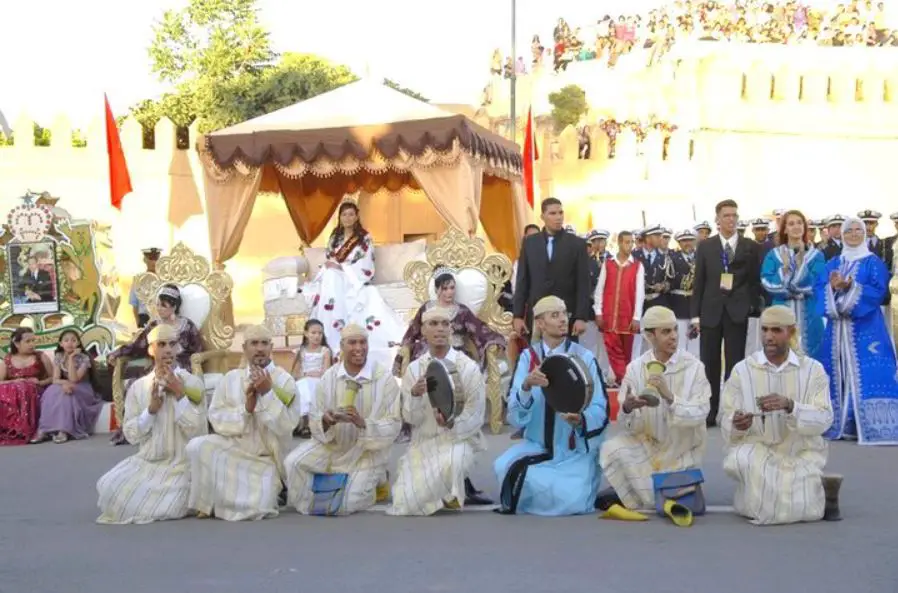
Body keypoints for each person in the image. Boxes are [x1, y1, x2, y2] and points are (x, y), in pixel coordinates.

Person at [721, 306, 836, 525]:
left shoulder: (813, 370)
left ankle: (808, 492)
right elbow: (726, 417)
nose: (768, 337)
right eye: (764, 330)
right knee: (748, 463)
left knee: (807, 511)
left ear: (791, 332)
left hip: (800, 452)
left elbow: (824, 419)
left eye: (776, 330)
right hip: (757, 450)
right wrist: (737, 424)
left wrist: (792, 407)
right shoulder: (743, 370)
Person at [495, 296, 608, 516]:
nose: (563, 320)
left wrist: (581, 420)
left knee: (570, 498)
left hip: (573, 450)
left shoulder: (584, 357)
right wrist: (526, 386)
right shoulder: (528, 358)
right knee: (502, 467)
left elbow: (600, 407)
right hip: (537, 445)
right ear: (540, 323)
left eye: (564, 314)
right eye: (555, 315)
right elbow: (515, 416)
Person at [597, 307, 711, 511]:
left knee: (655, 499)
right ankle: (665, 492)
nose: (674, 336)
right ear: (649, 336)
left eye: (675, 329)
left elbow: (701, 412)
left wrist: (670, 398)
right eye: (666, 332)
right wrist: (628, 408)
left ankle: (645, 491)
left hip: (681, 451)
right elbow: (627, 426)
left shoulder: (694, 367)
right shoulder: (636, 368)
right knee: (611, 448)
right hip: (648, 448)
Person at [96, 324, 207, 524]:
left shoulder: (193, 383)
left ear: (178, 348)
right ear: (151, 349)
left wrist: (179, 393)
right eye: (161, 344)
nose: (168, 350)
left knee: (168, 501)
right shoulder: (139, 387)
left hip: (182, 466)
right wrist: (151, 411)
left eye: (172, 344)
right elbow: (131, 434)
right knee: (108, 485)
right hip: (149, 462)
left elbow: (197, 430)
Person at [285, 323, 401, 516]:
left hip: (366, 451)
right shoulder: (329, 377)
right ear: (341, 346)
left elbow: (395, 423)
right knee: (292, 464)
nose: (359, 348)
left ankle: (378, 479)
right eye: (352, 343)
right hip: (332, 446)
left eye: (363, 342)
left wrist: (363, 423)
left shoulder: (384, 378)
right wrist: (326, 420)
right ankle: (337, 484)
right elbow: (315, 415)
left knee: (346, 503)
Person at [186, 325, 299, 521]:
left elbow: (287, 425)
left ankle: (272, 490)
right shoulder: (230, 379)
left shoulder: (284, 380)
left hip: (266, 458)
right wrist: (246, 409)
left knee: (256, 507)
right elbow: (216, 416)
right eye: (254, 343)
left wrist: (267, 393)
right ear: (245, 348)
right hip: (235, 449)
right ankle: (208, 501)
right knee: (197, 446)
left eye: (264, 343)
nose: (259, 348)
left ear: (271, 347)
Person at [388, 308, 486, 516]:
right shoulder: (414, 369)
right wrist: (415, 395)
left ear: (451, 329)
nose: (440, 328)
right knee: (405, 502)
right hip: (423, 443)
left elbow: (475, 414)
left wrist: (451, 423)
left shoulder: (467, 367)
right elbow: (411, 418)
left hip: (457, 441)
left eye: (444, 323)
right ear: (423, 330)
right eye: (433, 324)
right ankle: (446, 491)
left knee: (454, 460)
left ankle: (454, 488)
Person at [814, 216, 898, 445]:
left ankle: (867, 424)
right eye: (848, 230)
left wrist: (851, 286)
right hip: (836, 330)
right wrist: (832, 287)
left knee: (865, 372)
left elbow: (878, 290)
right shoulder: (833, 263)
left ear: (864, 233)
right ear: (842, 235)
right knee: (836, 369)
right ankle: (837, 422)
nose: (853, 234)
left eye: (857, 230)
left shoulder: (873, 262)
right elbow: (819, 287)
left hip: (867, 327)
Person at [303, 200, 405, 367]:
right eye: (344, 214)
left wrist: (343, 268)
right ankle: (331, 328)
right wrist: (333, 266)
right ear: (340, 217)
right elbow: (330, 257)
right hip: (335, 274)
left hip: (353, 276)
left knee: (333, 276)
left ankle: (335, 326)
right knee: (330, 275)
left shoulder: (364, 238)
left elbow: (366, 261)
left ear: (357, 216)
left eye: (351, 214)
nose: (347, 218)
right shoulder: (335, 237)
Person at [691, 199, 761, 426]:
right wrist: (695, 315)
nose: (731, 220)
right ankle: (710, 411)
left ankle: (733, 410)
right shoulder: (706, 246)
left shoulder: (750, 246)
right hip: (710, 311)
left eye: (734, 216)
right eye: (726, 216)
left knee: (735, 363)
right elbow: (699, 282)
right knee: (710, 363)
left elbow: (754, 281)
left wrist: (751, 306)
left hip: (737, 312)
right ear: (717, 219)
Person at [107, 284, 204, 445]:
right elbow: (137, 346)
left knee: (181, 383)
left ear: (174, 306)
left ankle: (181, 429)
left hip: (182, 365)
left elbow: (198, 349)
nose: (159, 308)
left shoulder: (187, 325)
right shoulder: (154, 326)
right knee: (136, 384)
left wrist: (186, 359)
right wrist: (117, 353)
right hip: (156, 365)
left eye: (163, 305)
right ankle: (137, 427)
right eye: (158, 304)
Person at [393, 266, 505, 377]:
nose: (450, 292)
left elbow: (479, 330)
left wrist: (494, 340)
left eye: (452, 288)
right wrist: (405, 347)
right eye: (445, 289)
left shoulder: (462, 311)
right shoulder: (426, 308)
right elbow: (412, 331)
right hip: (426, 351)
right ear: (437, 290)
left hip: (454, 352)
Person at [513, 197, 591, 340]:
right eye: (553, 213)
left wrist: (581, 317)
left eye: (560, 213)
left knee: (565, 354)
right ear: (543, 216)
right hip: (537, 315)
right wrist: (517, 316)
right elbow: (522, 281)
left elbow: (583, 283)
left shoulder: (577, 244)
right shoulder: (530, 243)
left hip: (566, 315)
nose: (558, 217)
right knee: (537, 353)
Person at [761, 210, 825, 354]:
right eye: (791, 224)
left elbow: (816, 283)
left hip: (810, 313)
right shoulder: (774, 255)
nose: (796, 227)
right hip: (781, 313)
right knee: (781, 354)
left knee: (811, 357)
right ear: (784, 229)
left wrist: (800, 265)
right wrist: (784, 270)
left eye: (799, 223)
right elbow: (767, 283)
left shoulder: (816, 256)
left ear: (804, 227)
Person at [31, 330, 102, 444]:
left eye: (73, 340)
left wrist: (71, 358)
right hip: (65, 384)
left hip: (82, 387)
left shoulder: (84, 358)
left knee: (67, 396)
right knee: (51, 392)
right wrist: (65, 383)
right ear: (61, 343)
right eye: (66, 340)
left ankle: (64, 430)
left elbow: (74, 379)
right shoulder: (59, 356)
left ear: (78, 343)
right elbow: (55, 379)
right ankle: (44, 429)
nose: (70, 343)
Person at [595, 230, 645, 385]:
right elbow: (599, 289)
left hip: (628, 316)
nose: (630, 245)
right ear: (619, 243)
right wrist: (598, 311)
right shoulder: (608, 264)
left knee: (626, 352)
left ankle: (623, 381)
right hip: (609, 315)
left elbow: (640, 293)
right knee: (612, 348)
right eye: (627, 242)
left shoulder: (637, 265)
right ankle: (626, 380)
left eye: (632, 242)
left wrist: (636, 317)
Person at [0, 328, 53, 445]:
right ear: (17, 343)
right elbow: (1, 382)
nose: (32, 344)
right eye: (28, 341)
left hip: (34, 392)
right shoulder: (8, 360)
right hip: (13, 395)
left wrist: (39, 382)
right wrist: (16, 381)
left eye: (33, 341)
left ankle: (22, 429)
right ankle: (8, 428)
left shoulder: (40, 357)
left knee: (25, 387)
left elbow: (53, 378)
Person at [290, 319, 332, 438]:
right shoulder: (301, 351)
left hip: (319, 380)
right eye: (313, 333)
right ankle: (301, 423)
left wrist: (310, 374)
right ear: (306, 334)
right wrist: (302, 376)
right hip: (303, 379)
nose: (317, 336)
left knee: (310, 387)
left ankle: (308, 424)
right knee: (302, 386)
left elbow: (326, 372)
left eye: (320, 333)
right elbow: (296, 372)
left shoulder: (325, 351)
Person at [670, 229, 699, 357]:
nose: (688, 243)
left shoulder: (700, 257)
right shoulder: (673, 258)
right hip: (679, 305)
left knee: (696, 345)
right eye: (684, 241)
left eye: (690, 240)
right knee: (679, 343)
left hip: (697, 305)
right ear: (679, 243)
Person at [130, 248, 161, 328]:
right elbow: (135, 305)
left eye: (156, 258)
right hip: (144, 318)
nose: (153, 262)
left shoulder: (164, 279)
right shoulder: (138, 279)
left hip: (161, 318)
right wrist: (138, 324)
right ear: (145, 260)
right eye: (150, 258)